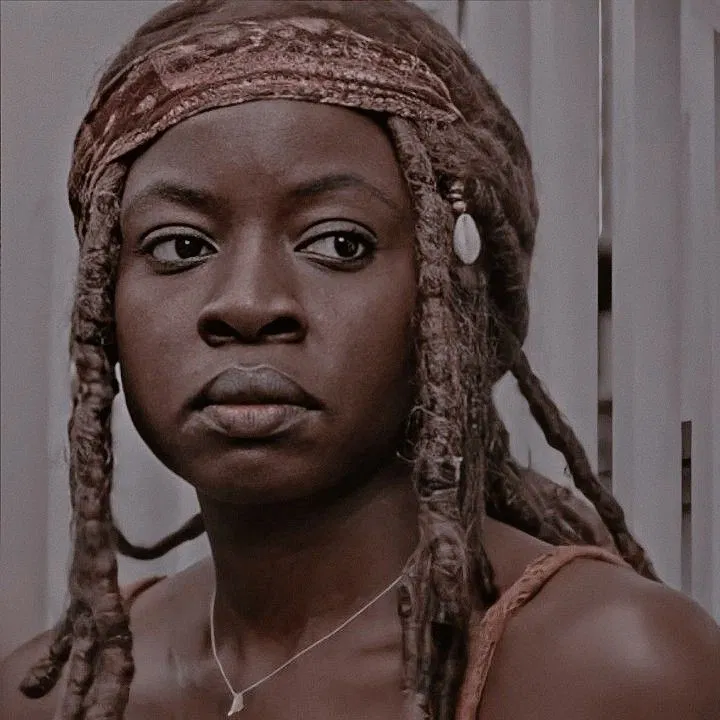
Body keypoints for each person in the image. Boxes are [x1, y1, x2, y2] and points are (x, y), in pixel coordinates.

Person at [1, 1, 718, 718]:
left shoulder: (616, 671)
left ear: (453, 300)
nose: (247, 303)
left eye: (339, 244)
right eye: (180, 246)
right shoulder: (50, 696)